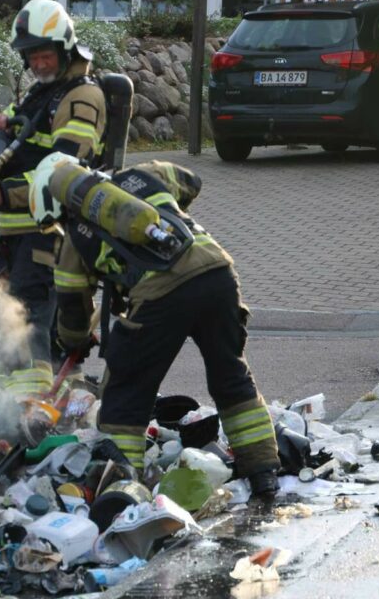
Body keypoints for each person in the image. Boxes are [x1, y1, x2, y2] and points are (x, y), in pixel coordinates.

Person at [27, 152, 283, 498]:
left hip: (160, 293)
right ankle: (264, 472)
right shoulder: (144, 174)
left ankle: (121, 486)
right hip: (217, 272)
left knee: (126, 391)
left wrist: (73, 341)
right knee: (231, 376)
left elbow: (74, 310)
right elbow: (192, 181)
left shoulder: (74, 239)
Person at [0, 0, 107, 399]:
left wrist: (2, 193)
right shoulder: (38, 94)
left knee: (29, 313)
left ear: (65, 50)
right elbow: (12, 145)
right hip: (15, 231)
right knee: (11, 310)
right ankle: (14, 388)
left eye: (46, 55)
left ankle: (31, 402)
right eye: (32, 57)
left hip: (49, 230)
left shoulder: (81, 98)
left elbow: (63, 174)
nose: (39, 64)